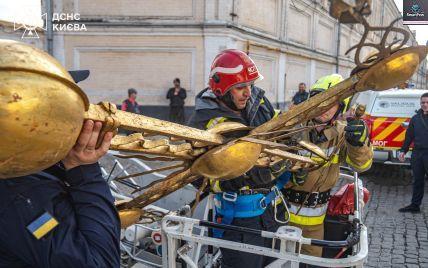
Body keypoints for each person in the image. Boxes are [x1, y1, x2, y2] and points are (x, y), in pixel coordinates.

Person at [0, 71, 121, 267]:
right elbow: (100, 262)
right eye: (70, 103)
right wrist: (84, 170)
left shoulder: (26, 170)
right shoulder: (22, 198)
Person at [188, 49, 290, 268]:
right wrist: (238, 179)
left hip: (272, 211)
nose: (248, 93)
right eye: (240, 88)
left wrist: (290, 141)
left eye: (250, 86)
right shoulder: (203, 124)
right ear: (222, 89)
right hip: (239, 220)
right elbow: (196, 175)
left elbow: (279, 132)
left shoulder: (259, 104)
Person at [280, 74, 373, 259]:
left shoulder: (342, 133)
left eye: (333, 103)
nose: (326, 109)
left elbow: (361, 165)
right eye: (322, 101)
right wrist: (287, 173)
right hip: (282, 216)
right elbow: (269, 161)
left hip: (316, 223)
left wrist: (358, 145)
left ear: (340, 107)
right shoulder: (290, 128)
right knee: (279, 261)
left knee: (313, 263)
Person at [398, 92, 428, 213]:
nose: (425, 105)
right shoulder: (415, 119)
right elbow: (409, 136)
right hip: (417, 154)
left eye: (427, 102)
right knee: (417, 180)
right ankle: (415, 205)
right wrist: (403, 151)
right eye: (423, 102)